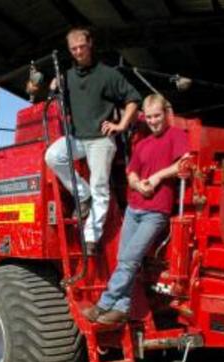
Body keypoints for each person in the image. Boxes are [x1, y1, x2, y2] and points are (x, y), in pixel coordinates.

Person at [83, 93, 189, 325]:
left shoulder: (176, 136)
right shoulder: (142, 144)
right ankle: (121, 309)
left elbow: (184, 163)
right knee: (124, 259)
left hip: (156, 212)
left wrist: (158, 177)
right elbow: (131, 173)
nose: (153, 121)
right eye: (149, 117)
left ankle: (103, 304)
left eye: (157, 116)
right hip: (134, 208)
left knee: (130, 259)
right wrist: (138, 184)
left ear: (166, 114)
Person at [44, 27, 141, 253]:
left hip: (101, 140)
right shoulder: (67, 77)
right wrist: (53, 86)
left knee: (100, 187)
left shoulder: (108, 74)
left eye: (82, 46)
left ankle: (91, 237)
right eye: (74, 48)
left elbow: (133, 98)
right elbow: (53, 97)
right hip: (77, 137)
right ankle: (82, 194)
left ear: (90, 45)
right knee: (53, 155)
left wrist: (121, 125)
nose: (78, 51)